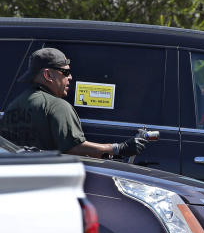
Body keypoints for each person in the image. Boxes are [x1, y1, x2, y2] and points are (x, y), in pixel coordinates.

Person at [0, 48, 146, 158]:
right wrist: (119, 148)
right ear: (48, 75)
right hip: (48, 183)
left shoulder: (14, 105)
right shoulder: (57, 106)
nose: (70, 77)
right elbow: (75, 148)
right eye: (65, 72)